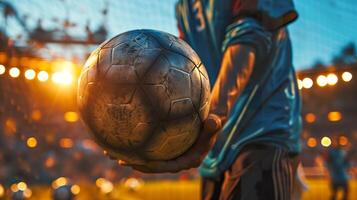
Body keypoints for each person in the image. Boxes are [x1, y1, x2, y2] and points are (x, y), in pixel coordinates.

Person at [121, 0, 302, 199]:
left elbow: (248, 36)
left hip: (263, 131)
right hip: (215, 148)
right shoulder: (183, 6)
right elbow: (189, 67)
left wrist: (212, 119)